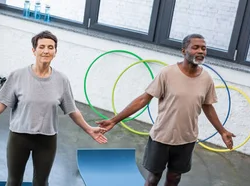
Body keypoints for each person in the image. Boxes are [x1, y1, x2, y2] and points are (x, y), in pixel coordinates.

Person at [0, 30, 108, 186]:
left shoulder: (61, 80)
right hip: (19, 137)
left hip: (47, 140)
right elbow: (0, 103)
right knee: (13, 182)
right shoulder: (18, 75)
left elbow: (72, 109)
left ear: (55, 52)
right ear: (34, 50)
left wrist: (89, 129)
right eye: (41, 46)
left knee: (41, 182)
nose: (46, 51)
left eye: (50, 47)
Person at [95, 34, 236, 186]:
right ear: (184, 51)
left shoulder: (206, 78)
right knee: (154, 177)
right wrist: (114, 120)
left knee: (174, 178)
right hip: (162, 137)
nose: (200, 51)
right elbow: (144, 99)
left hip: (187, 139)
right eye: (195, 47)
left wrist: (222, 131)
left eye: (203, 48)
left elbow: (208, 106)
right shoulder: (167, 73)